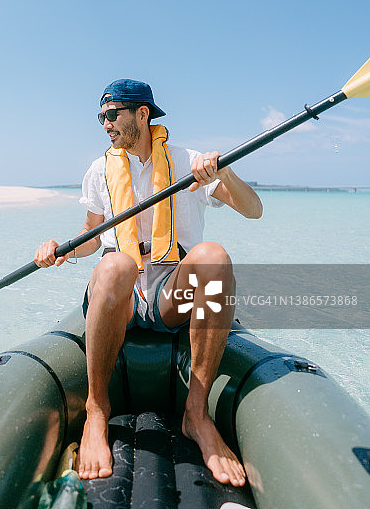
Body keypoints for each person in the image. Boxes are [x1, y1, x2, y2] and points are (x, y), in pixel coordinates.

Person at [34, 79, 262, 488]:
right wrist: (62, 248)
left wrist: (224, 170)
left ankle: (197, 412)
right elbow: (90, 234)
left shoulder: (188, 161)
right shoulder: (99, 169)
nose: (105, 124)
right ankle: (97, 411)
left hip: (169, 294)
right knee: (117, 262)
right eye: (100, 116)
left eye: (112, 114)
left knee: (214, 255)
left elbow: (254, 210)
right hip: (120, 291)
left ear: (143, 113)